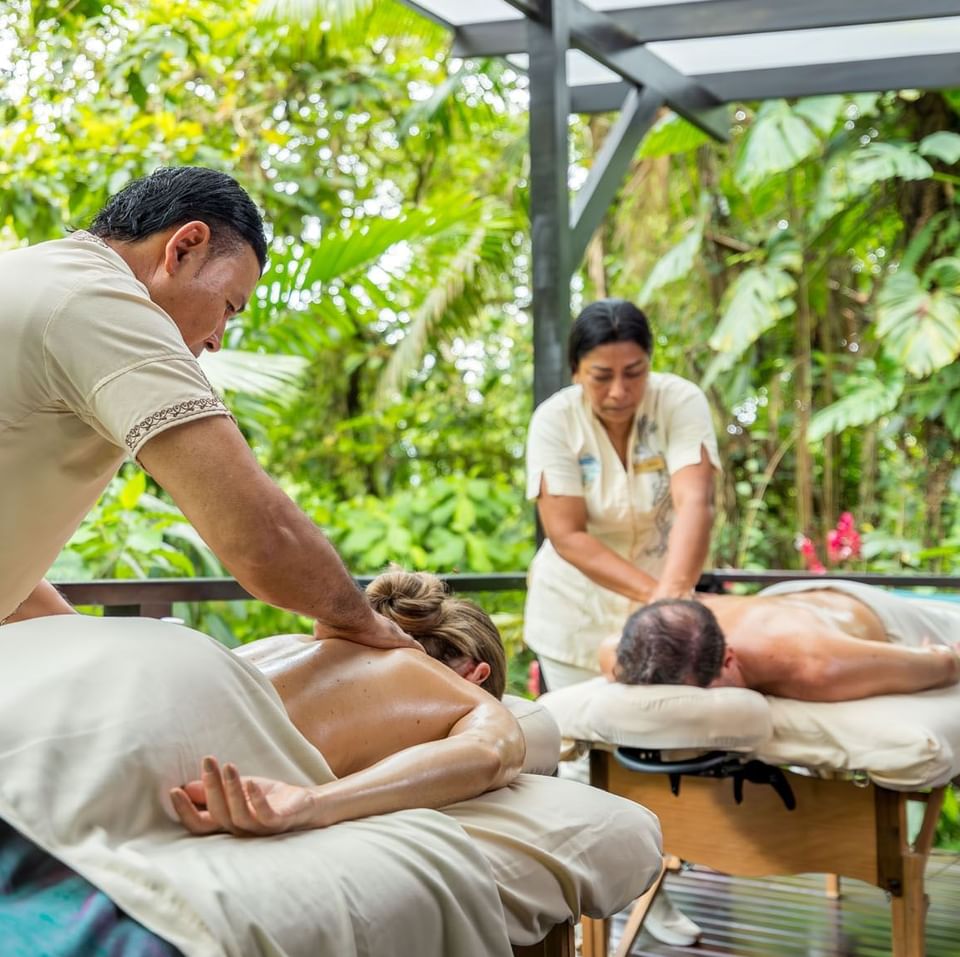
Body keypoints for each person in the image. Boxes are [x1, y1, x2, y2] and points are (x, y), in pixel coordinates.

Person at [0, 167, 413, 651]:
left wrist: (94, 660)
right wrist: (361, 623)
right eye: (230, 306)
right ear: (185, 246)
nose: (217, 339)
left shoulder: (31, 274)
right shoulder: (98, 300)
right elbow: (259, 534)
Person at [522, 298, 719, 945]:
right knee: (579, 759)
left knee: (658, 752)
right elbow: (567, 532)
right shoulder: (555, 419)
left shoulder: (680, 402)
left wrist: (668, 601)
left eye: (633, 372)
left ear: (649, 363)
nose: (618, 390)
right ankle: (577, 911)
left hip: (665, 610)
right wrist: (658, 598)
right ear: (577, 370)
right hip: (577, 615)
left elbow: (696, 499)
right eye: (600, 374)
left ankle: (649, 894)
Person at [171, 570, 522, 835]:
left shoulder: (294, 642)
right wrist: (315, 804)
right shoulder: (452, 690)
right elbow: (491, 755)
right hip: (182, 755)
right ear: (477, 675)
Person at [604, 579, 960, 701]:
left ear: (729, 659)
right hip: (773, 599)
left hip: (874, 612)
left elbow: (945, 665)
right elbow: (606, 649)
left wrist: (938, 657)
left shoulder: (819, 663)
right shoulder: (635, 656)